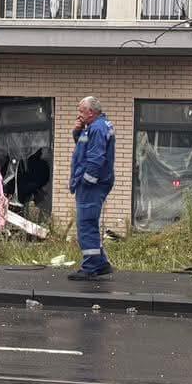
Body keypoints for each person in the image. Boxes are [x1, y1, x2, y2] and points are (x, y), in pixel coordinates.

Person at [68, 96, 116, 281]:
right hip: (95, 183)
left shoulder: (97, 128)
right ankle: (101, 264)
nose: (79, 115)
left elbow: (96, 158)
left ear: (91, 112)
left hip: (93, 185)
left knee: (86, 224)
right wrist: (76, 132)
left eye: (81, 111)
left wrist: (86, 182)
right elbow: (83, 149)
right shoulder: (96, 126)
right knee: (89, 223)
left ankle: (90, 267)